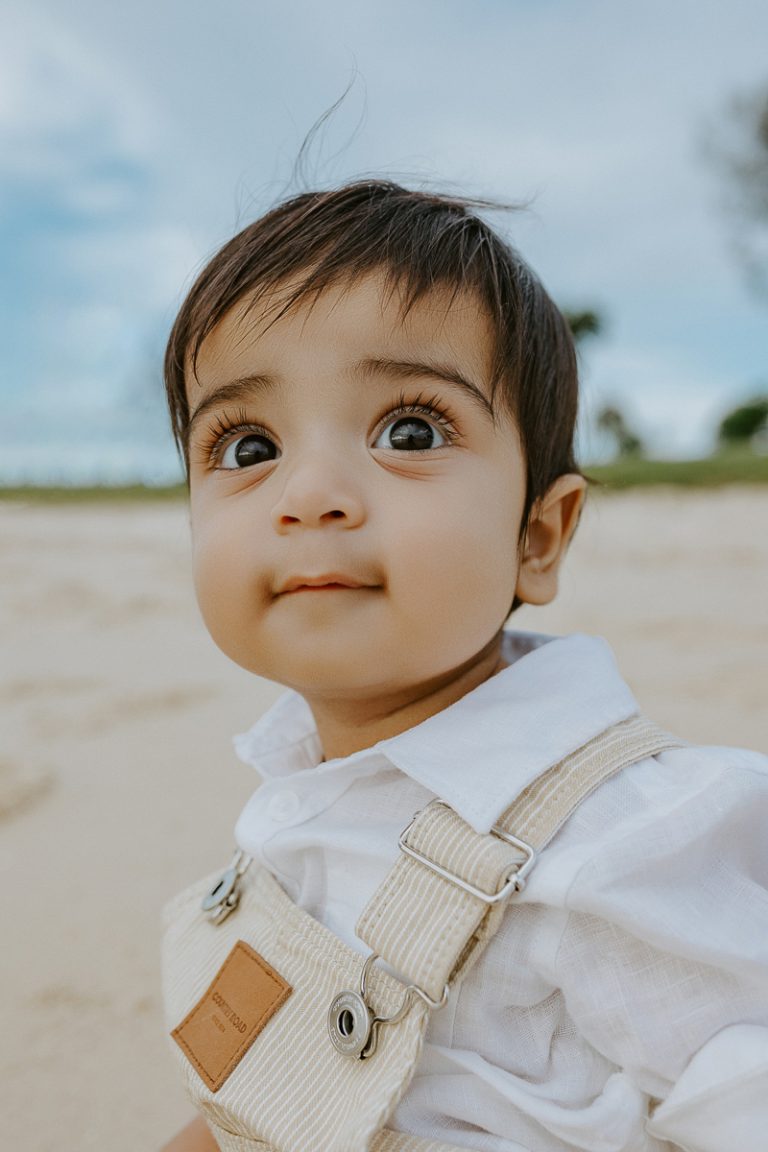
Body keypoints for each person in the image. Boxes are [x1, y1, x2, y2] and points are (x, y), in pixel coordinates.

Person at [159, 181, 768, 1152]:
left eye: (410, 432)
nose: (310, 493)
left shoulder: (624, 844)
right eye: (248, 445)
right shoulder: (295, 787)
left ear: (538, 535)